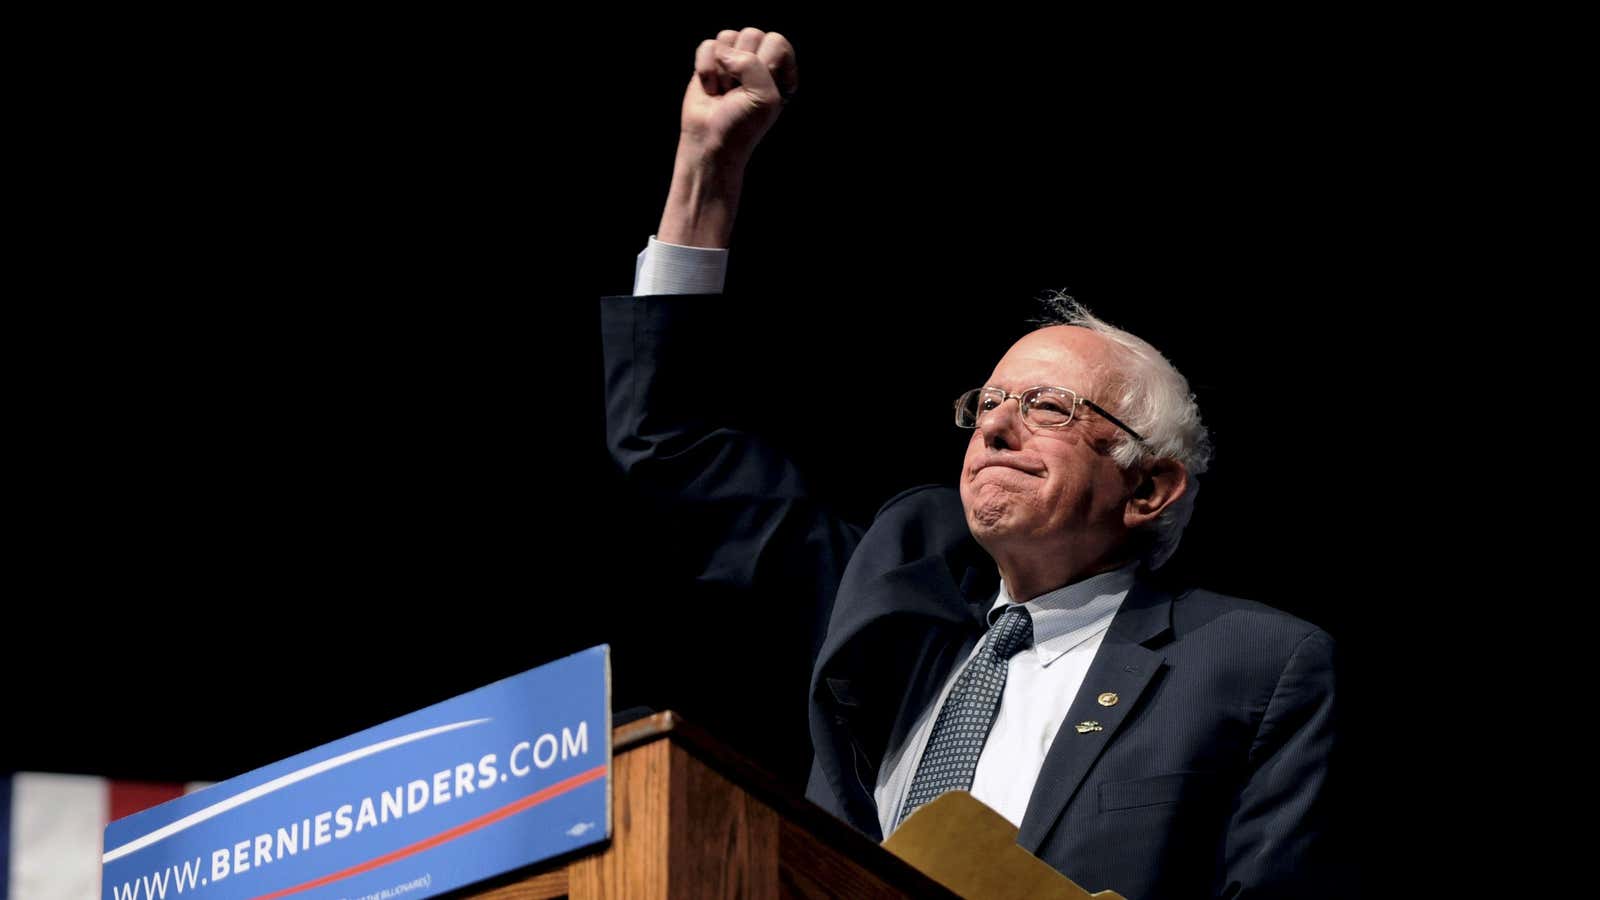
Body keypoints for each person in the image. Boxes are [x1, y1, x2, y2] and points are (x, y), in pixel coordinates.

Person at [603, 27, 1343, 899]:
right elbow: (674, 444)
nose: (994, 429)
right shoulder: (886, 608)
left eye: (1046, 408)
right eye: (986, 405)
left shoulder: (1256, 662)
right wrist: (707, 165)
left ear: (1148, 485)